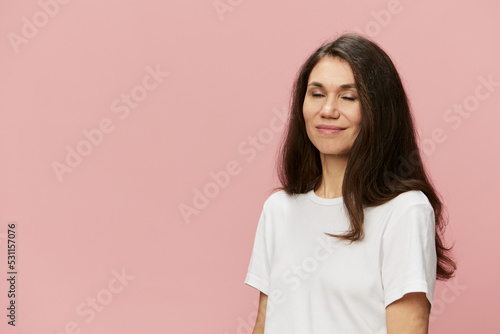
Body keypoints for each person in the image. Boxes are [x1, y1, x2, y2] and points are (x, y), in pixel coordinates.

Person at [244, 32, 456, 334]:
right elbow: (265, 324)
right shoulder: (278, 210)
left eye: (348, 97)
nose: (328, 110)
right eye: (317, 94)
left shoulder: (405, 211)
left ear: (379, 111)